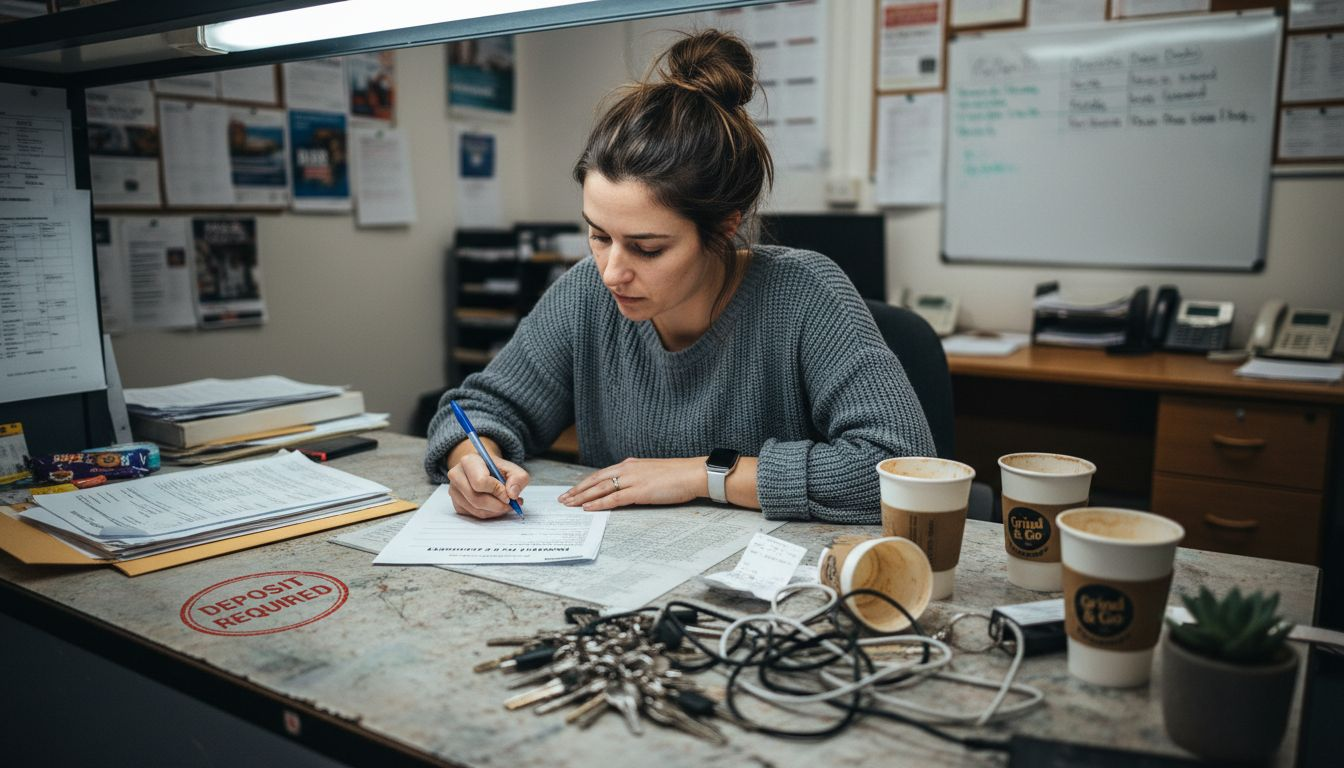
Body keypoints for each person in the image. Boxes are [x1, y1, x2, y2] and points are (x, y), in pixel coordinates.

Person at [425, 30, 933, 524]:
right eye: (599, 236)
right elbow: (478, 407)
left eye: (647, 248)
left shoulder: (806, 297)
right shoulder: (585, 293)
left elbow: (903, 469)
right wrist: (472, 458)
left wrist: (702, 475)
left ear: (724, 226)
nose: (612, 272)